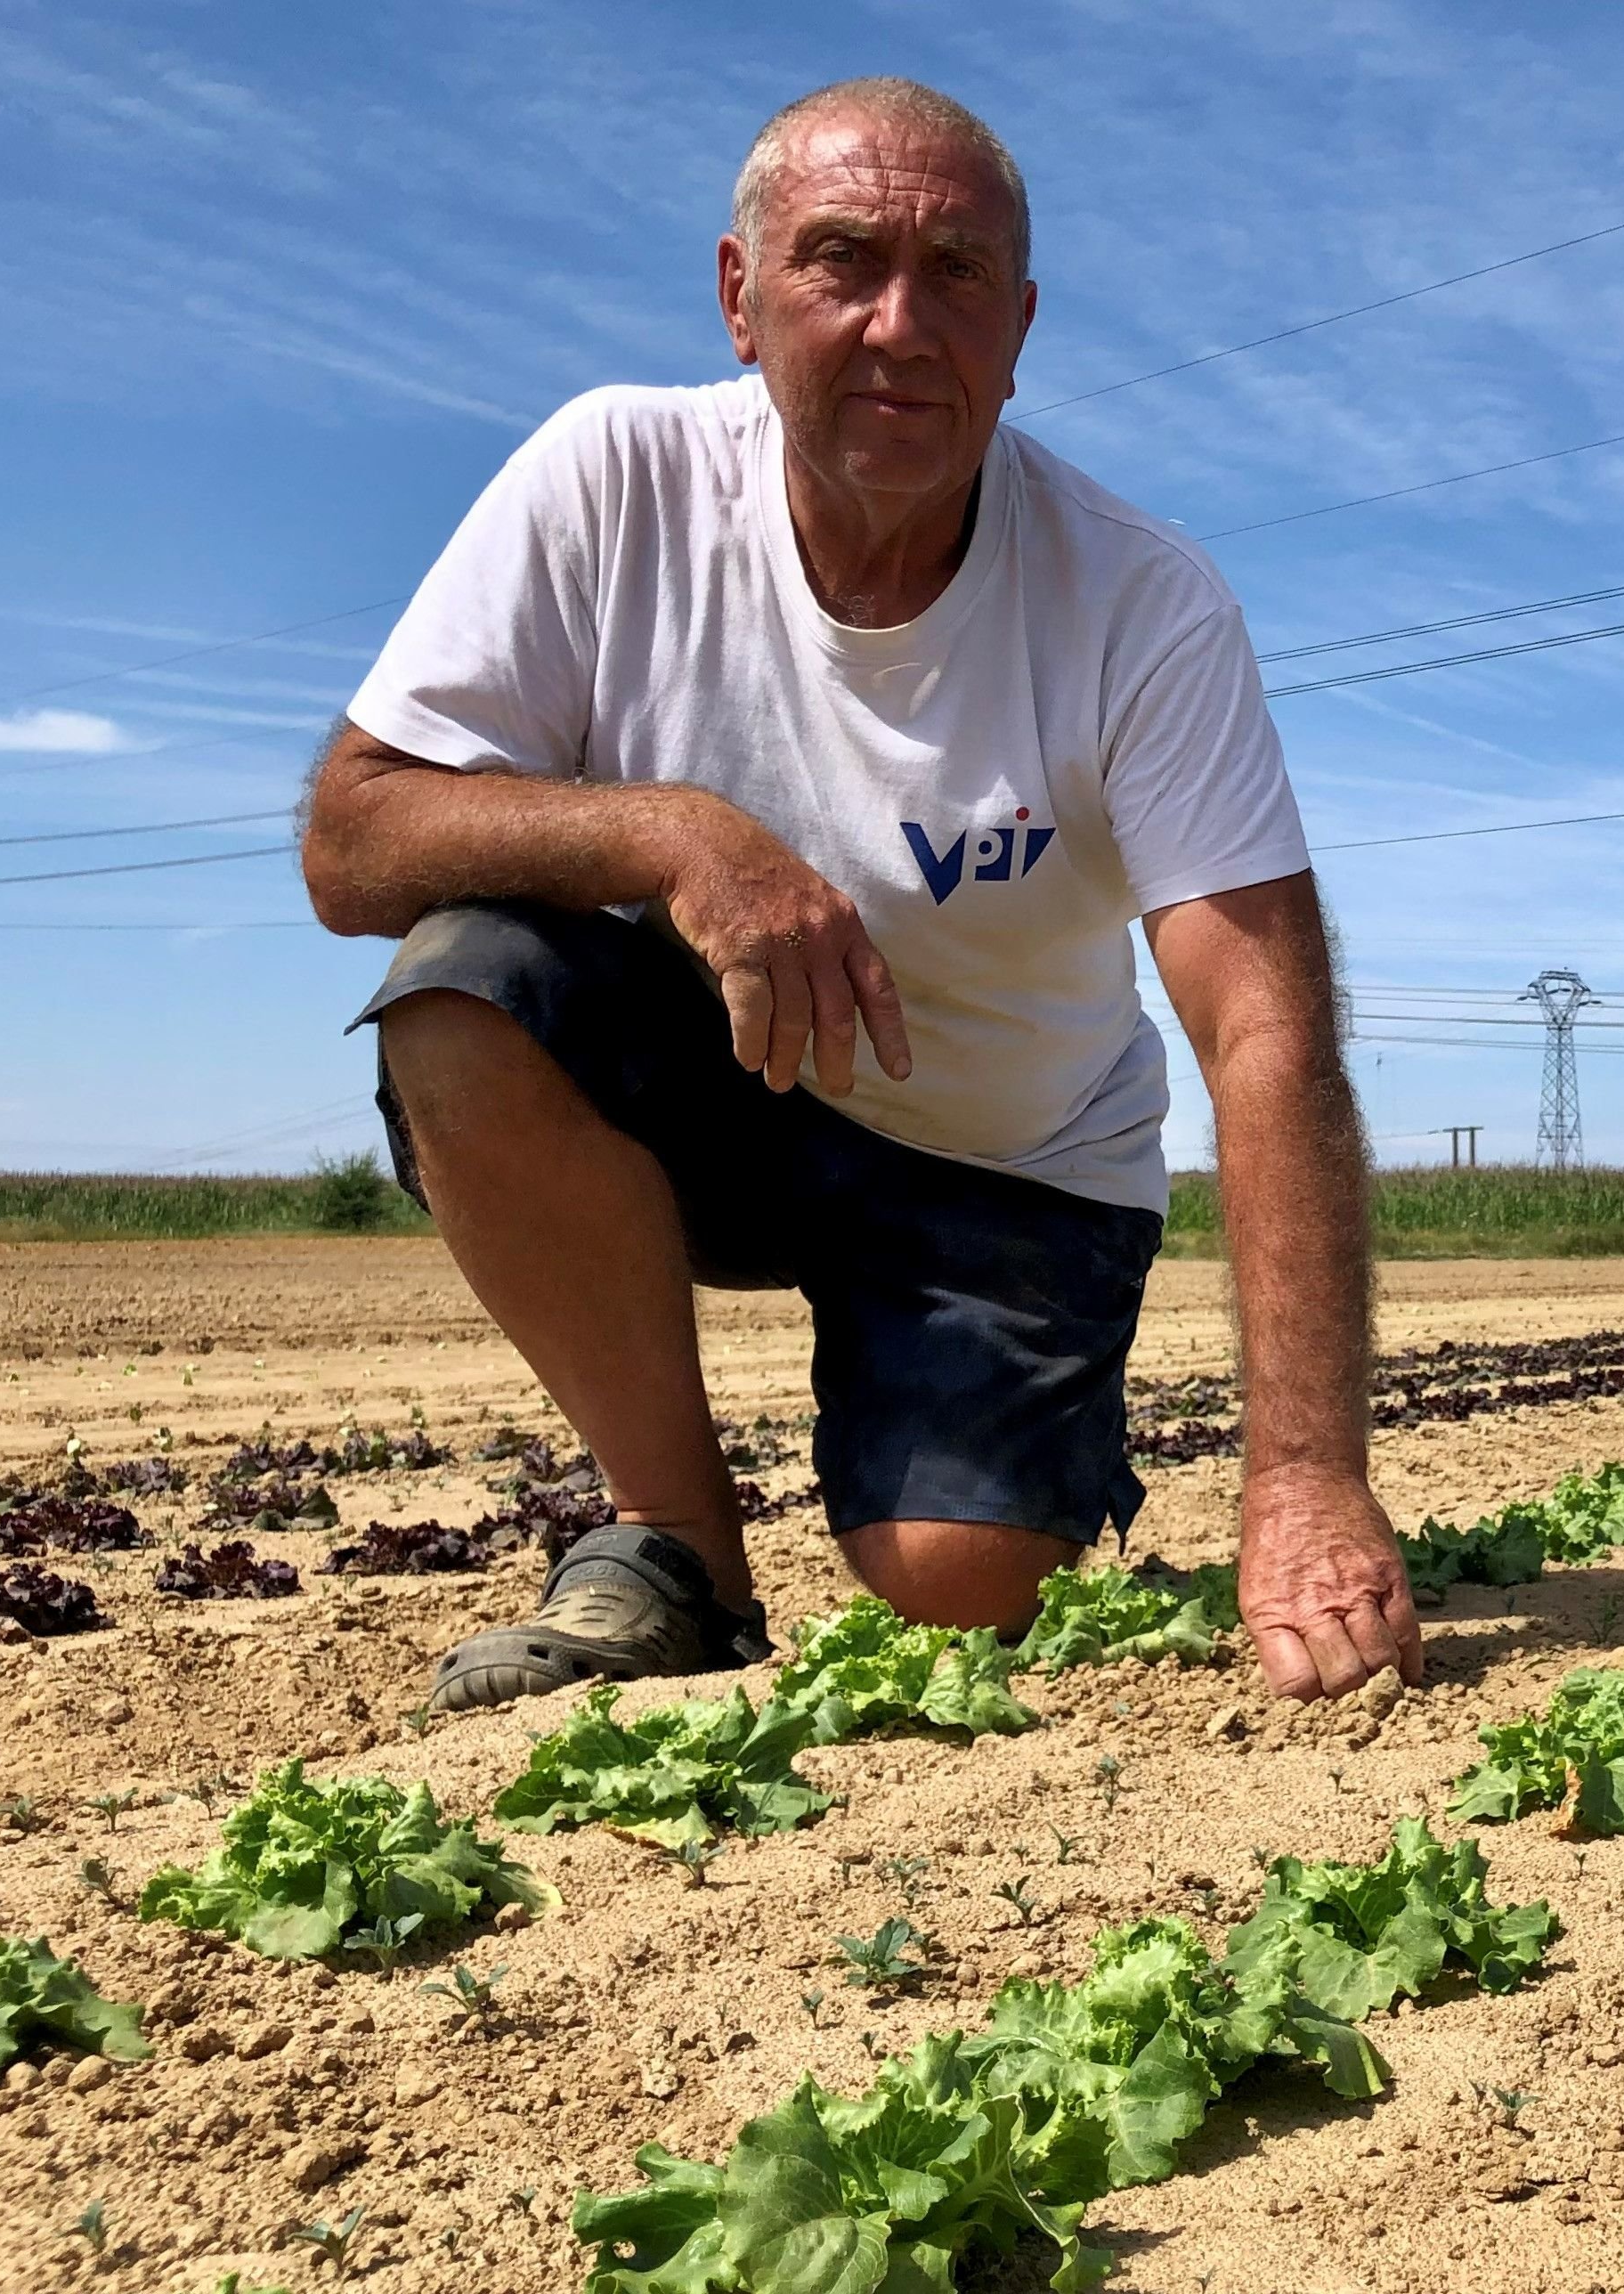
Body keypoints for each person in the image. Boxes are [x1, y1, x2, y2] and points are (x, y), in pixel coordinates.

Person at [298, 75, 1418, 1713]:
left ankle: (991, 1454)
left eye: (958, 275)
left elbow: (1263, 1025)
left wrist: (1304, 1479)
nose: (904, 325)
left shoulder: (1138, 602)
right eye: (842, 260)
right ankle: (669, 1548)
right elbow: (353, 840)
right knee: (466, 984)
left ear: (1020, 328)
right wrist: (675, 838)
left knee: (954, 1596)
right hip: (732, 1091)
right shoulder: (613, 480)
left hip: (1014, 1167)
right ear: (742, 297)